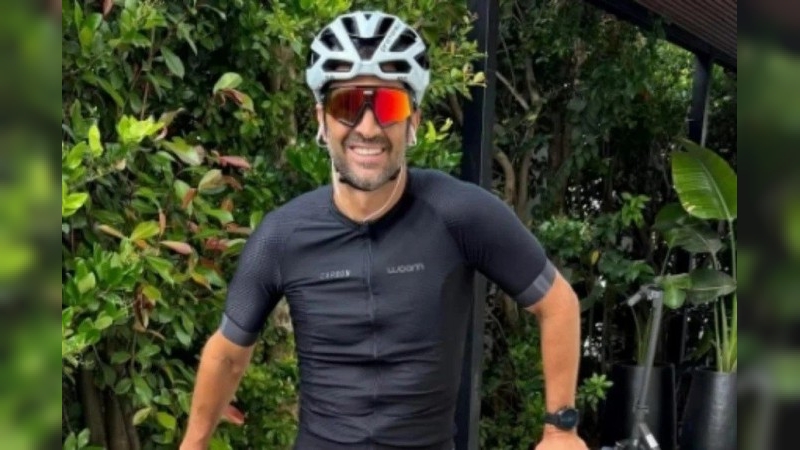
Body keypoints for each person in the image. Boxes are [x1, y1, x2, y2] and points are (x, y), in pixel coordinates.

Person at [180, 10, 588, 450]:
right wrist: (193, 445)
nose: (368, 127)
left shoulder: (460, 214)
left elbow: (557, 303)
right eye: (347, 106)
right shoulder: (282, 236)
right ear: (322, 119)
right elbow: (227, 354)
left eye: (389, 106)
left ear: (413, 121)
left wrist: (560, 429)